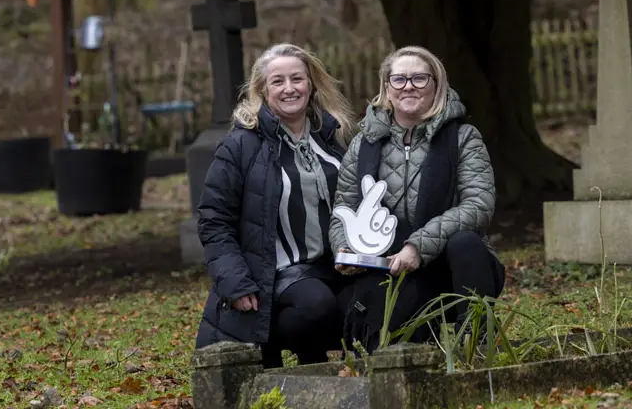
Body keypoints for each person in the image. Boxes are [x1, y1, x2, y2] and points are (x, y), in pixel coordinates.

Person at [328, 45, 505, 353]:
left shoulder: (463, 137)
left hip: (450, 267)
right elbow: (344, 207)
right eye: (399, 79)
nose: (408, 86)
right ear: (387, 88)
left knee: (466, 243)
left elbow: (478, 205)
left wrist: (418, 246)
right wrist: (345, 247)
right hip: (388, 266)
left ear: (436, 85)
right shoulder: (362, 144)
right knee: (384, 340)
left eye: (419, 78)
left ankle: (476, 343)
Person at [194, 43, 357, 368]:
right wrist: (235, 282)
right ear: (262, 90)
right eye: (278, 81)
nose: (289, 88)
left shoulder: (335, 138)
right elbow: (214, 220)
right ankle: (293, 358)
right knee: (316, 306)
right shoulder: (240, 146)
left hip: (338, 268)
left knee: (378, 303)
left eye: (297, 79)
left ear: (311, 84)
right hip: (275, 273)